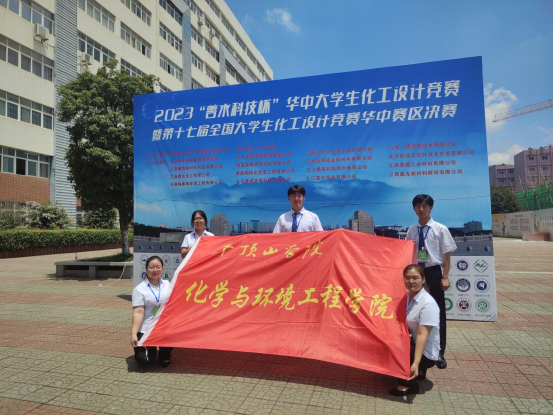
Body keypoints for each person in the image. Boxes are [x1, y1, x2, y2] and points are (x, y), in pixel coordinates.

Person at [405, 194, 456, 369]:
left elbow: (446, 255)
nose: (421, 209)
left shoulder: (440, 229)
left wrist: (445, 276)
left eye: (425, 206)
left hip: (433, 272)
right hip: (416, 273)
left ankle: (439, 352)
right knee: (414, 309)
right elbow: (406, 251)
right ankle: (415, 348)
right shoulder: (412, 230)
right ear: (414, 208)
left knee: (438, 312)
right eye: (418, 206)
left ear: (431, 208)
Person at [390, 264, 440, 396]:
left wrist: (416, 363)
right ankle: (418, 372)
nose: (411, 281)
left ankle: (408, 384)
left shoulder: (428, 303)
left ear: (423, 280)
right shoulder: (406, 297)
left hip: (425, 351)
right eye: (407, 278)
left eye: (415, 278)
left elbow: (422, 334)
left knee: (394, 346)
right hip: (412, 342)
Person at [131, 256, 173, 368]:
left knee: (165, 356)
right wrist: (134, 334)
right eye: (151, 267)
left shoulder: (168, 285)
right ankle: (151, 349)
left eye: (158, 267)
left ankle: (164, 354)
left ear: (162, 268)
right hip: (147, 327)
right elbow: (138, 312)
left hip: (164, 326)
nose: (155, 270)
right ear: (146, 269)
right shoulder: (139, 289)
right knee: (144, 360)